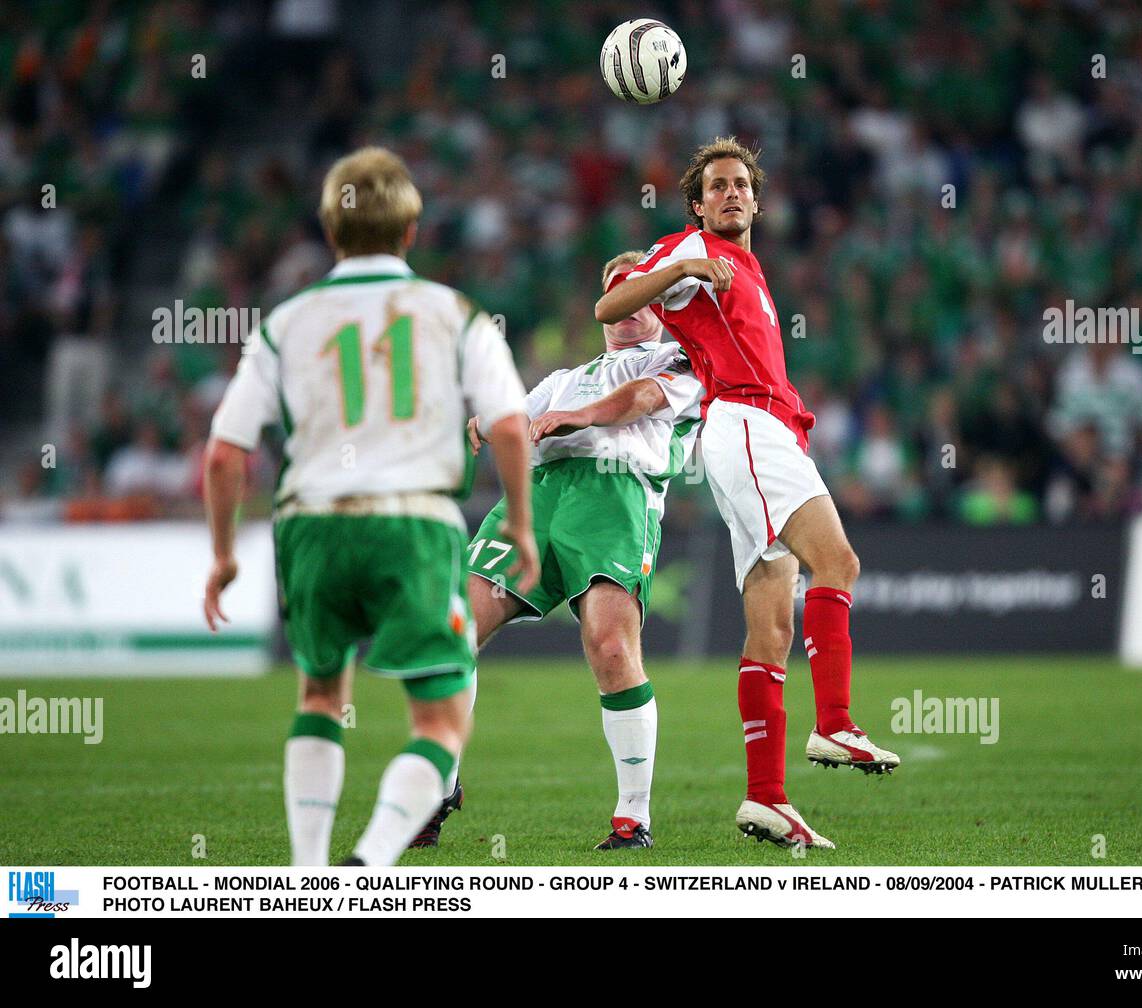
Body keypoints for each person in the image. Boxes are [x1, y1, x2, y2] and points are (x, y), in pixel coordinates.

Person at [201, 146, 538, 866]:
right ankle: (371, 861)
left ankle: (310, 872)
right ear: (412, 232)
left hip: (310, 523)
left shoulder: (285, 322)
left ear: (330, 232)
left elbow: (226, 452)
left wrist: (226, 556)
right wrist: (519, 522)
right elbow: (509, 426)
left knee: (320, 696)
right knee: (441, 719)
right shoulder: (458, 314)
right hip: (413, 522)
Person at [595, 137, 899, 850]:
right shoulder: (688, 249)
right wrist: (685, 260)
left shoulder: (749, 265)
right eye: (717, 187)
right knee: (840, 564)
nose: (731, 194)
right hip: (748, 425)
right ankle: (834, 722)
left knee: (771, 627)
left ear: (757, 200)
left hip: (756, 436)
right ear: (697, 204)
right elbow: (612, 301)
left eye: (741, 185)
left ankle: (767, 798)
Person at [413, 250, 703, 851]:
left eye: (640, 289)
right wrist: (484, 425)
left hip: (614, 498)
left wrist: (577, 418)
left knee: (611, 647)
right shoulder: (563, 380)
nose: (627, 302)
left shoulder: (683, 359)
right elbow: (512, 422)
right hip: (536, 501)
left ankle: (632, 816)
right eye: (615, 290)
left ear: (657, 301)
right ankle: (440, 787)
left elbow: (642, 401)